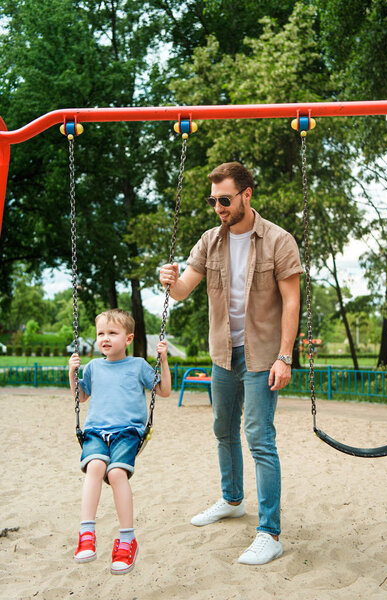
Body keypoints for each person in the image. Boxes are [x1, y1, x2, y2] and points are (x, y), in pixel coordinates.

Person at [159, 162, 302, 565]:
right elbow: (185, 288)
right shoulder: (209, 241)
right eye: (213, 201)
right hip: (224, 352)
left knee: (259, 437)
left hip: (263, 355)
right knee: (223, 429)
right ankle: (233, 499)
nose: (219, 207)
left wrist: (284, 356)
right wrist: (169, 279)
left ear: (246, 194)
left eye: (225, 199)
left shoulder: (277, 240)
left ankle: (270, 533)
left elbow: (291, 301)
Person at [68, 308, 171, 575]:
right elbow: (81, 397)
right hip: (95, 431)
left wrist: (163, 359)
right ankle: (86, 533)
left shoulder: (138, 365)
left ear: (127, 339)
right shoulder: (92, 367)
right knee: (94, 467)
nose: (105, 338)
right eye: (101, 333)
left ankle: (127, 539)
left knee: (115, 473)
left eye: (112, 333)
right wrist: (73, 373)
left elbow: (164, 391)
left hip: (128, 432)